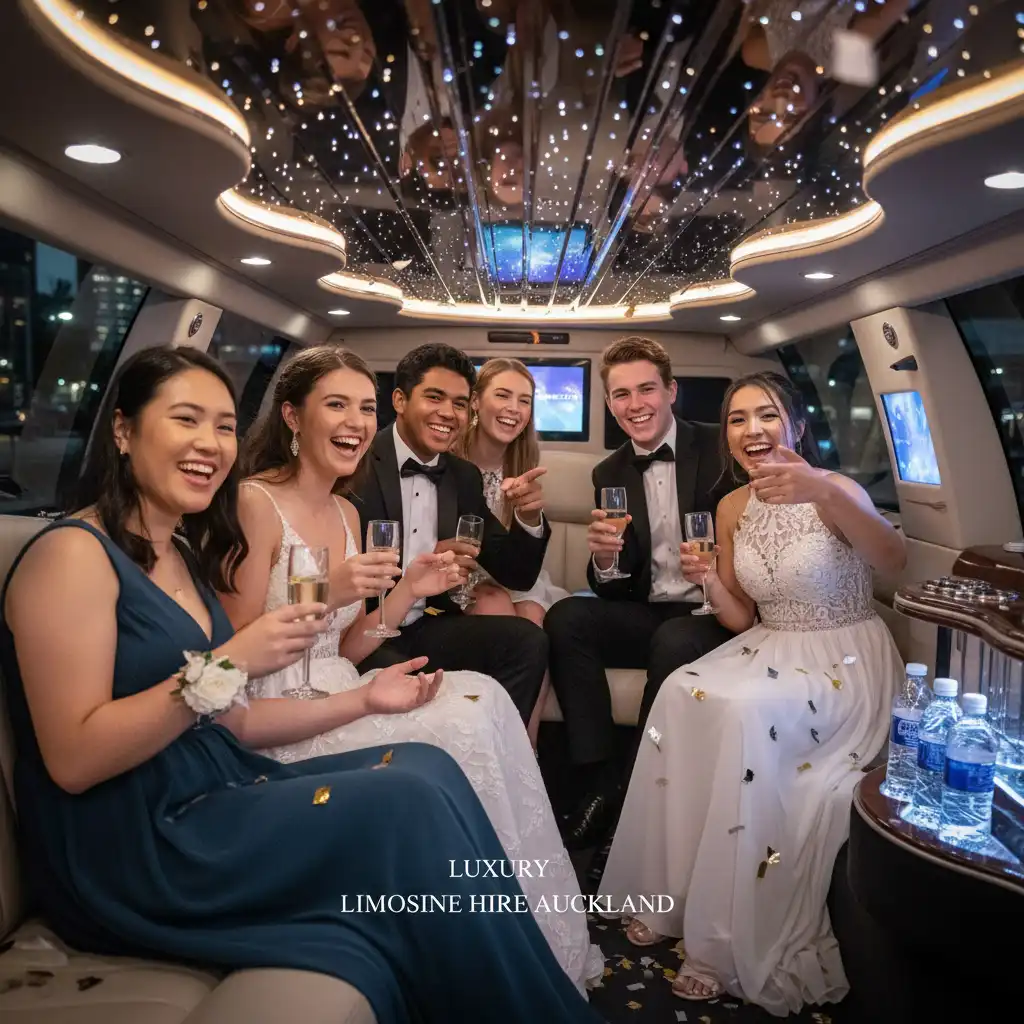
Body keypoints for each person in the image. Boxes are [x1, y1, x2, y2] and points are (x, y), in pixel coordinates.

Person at [0, 345, 604, 1024]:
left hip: (211, 777)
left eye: (225, 427)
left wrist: (369, 690)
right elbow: (76, 761)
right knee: (407, 800)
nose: (211, 444)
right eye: (186, 420)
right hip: (140, 840)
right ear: (123, 430)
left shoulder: (172, 556)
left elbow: (234, 716)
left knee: (431, 768)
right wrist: (234, 663)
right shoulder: (71, 556)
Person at [225, 345, 603, 991]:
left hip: (354, 657)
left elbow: (345, 648)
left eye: (359, 407)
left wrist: (411, 587)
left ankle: (509, 927)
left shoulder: (349, 510)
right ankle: (466, 942)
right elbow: (237, 655)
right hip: (281, 699)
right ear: (291, 415)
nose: (352, 422)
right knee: (459, 726)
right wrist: (336, 594)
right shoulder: (255, 502)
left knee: (487, 693)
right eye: (337, 406)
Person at [599, 371, 906, 1013]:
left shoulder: (836, 489)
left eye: (766, 415)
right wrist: (708, 579)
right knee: (683, 692)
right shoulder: (733, 507)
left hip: (841, 655)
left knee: (744, 711)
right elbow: (740, 618)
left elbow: (893, 558)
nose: (752, 430)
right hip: (769, 643)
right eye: (738, 419)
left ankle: (723, 934)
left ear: (794, 424)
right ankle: (674, 892)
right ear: (729, 436)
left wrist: (825, 489)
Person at [545, 336, 734, 852]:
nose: (635, 405)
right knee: (566, 618)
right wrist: (604, 560)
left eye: (647, 389)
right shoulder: (608, 472)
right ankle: (595, 772)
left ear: (671, 391)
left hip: (714, 610)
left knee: (674, 640)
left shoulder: (721, 448)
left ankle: (623, 793)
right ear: (609, 404)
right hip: (647, 609)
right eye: (622, 395)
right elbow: (619, 583)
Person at [349, 343, 551, 723]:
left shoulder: (461, 476)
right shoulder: (357, 463)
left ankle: (501, 751)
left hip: (429, 620)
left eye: (459, 403)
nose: (448, 413)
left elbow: (516, 573)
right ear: (399, 400)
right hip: (368, 628)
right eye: (435, 397)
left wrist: (529, 516)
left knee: (529, 642)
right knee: (416, 691)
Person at [453, 357, 570, 747]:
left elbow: (522, 561)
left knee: (534, 617)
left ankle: (525, 749)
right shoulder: (449, 463)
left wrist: (530, 514)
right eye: (502, 395)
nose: (514, 409)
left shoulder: (523, 465)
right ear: (474, 401)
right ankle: (488, 743)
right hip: (465, 576)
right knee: (495, 607)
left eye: (524, 400)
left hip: (516, 575)